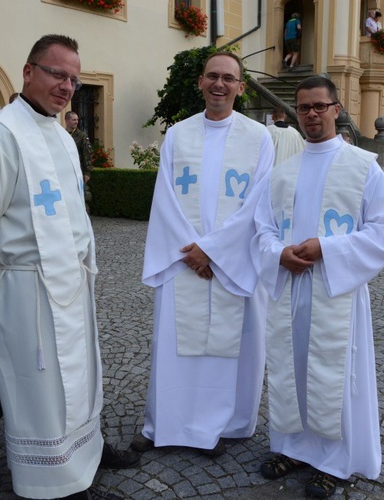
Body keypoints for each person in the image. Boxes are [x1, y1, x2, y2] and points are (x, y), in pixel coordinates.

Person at [0, 34, 128, 500]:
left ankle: (86, 451)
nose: (67, 86)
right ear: (28, 71)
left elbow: (73, 210)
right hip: (28, 287)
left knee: (80, 374)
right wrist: (3, 284)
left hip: (72, 280)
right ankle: (54, 481)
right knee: (42, 385)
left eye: (74, 78)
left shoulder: (62, 135)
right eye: (57, 73)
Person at [251, 76, 384, 499]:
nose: (311, 114)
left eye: (319, 106)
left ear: (337, 109)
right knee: (292, 368)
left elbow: (383, 232)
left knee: (336, 376)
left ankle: (335, 462)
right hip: (291, 288)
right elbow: (261, 230)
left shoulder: (363, 166)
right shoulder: (283, 172)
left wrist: (326, 249)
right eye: (304, 107)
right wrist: (278, 254)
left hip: (337, 292)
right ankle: (294, 448)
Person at [132, 51, 273, 458]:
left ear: (240, 87)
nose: (219, 84)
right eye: (212, 76)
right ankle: (167, 424)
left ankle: (222, 426)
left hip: (231, 264)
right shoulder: (178, 134)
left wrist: (212, 252)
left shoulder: (258, 138)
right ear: (200, 82)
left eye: (228, 78)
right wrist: (192, 253)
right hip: (182, 261)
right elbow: (166, 200)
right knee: (176, 347)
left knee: (229, 349)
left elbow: (258, 204)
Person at [65, 111, 93, 184]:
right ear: (67, 121)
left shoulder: (81, 136)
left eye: (77, 120)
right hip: (65, 170)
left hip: (78, 170)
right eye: (74, 120)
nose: (76, 122)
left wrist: (87, 173)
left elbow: (87, 154)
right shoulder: (62, 134)